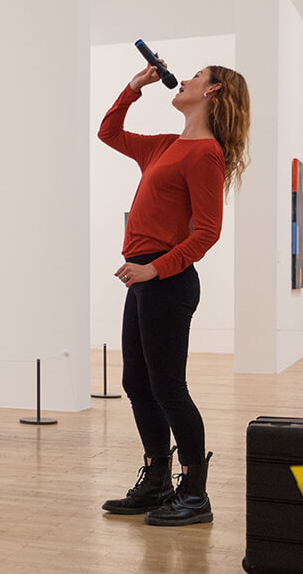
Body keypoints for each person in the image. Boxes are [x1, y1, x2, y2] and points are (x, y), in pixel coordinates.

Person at [98, 60, 250, 527]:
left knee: (168, 386)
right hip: (143, 276)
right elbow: (109, 133)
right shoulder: (166, 145)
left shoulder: (205, 153)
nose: (183, 80)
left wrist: (155, 271)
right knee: (137, 384)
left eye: (195, 77)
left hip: (167, 280)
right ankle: (158, 478)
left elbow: (207, 233)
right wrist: (132, 87)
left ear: (214, 91)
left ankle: (196, 492)